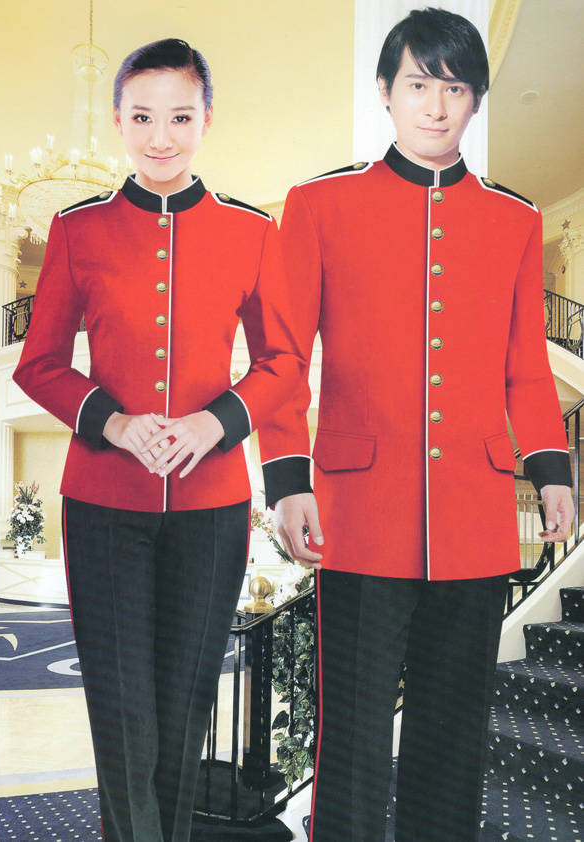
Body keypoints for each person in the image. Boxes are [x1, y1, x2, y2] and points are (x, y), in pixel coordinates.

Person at [258, 8, 575, 842]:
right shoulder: (319, 204)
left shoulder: (514, 218)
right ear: (385, 92)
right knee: (353, 734)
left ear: (474, 101)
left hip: (473, 512)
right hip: (358, 511)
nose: (436, 106)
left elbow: (523, 365)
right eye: (418, 85)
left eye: (455, 89)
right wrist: (286, 477)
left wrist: (551, 469)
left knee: (452, 731)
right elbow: (282, 356)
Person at [13, 38, 306, 842]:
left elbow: (284, 361)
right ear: (117, 120)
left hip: (213, 509)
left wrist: (216, 423)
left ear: (206, 119)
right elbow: (38, 364)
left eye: (179, 117)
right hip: (103, 506)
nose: (161, 136)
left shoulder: (250, 230)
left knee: (183, 713)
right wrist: (113, 421)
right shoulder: (78, 229)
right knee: (123, 715)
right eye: (142, 117)